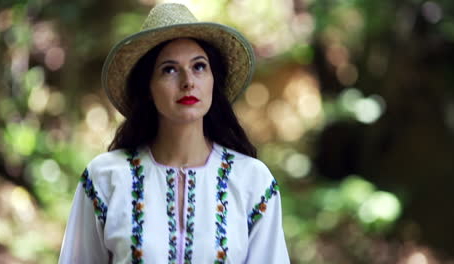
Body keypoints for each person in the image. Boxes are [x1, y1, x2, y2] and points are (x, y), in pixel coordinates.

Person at [59, 3, 290, 264]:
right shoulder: (104, 179)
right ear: (147, 87)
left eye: (199, 66)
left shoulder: (253, 182)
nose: (188, 81)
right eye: (169, 69)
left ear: (214, 80)